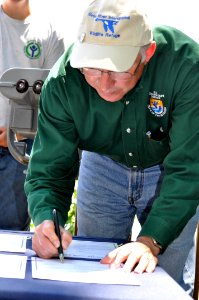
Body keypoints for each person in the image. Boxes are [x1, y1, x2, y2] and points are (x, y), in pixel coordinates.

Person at [24, 0, 199, 295]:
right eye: (92, 68)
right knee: (94, 275)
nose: (104, 84)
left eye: (117, 70)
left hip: (169, 169)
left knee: (167, 281)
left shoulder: (186, 67)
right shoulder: (63, 81)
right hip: (102, 165)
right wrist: (45, 219)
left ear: (148, 53)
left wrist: (150, 241)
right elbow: (50, 168)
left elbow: (189, 167)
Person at [0, 0, 65, 230]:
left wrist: (15, 132)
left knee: (10, 230)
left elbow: (55, 100)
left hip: (20, 149)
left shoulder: (50, 32)